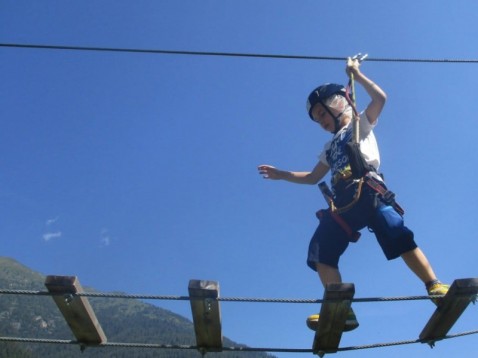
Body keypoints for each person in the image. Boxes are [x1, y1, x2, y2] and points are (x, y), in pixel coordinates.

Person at [257, 58, 448, 331]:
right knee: (320, 251)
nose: (321, 121)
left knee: (397, 234)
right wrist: (282, 174)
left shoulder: (361, 124)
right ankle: (341, 309)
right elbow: (313, 177)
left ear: (337, 103)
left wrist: (357, 75)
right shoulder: (328, 147)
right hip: (344, 202)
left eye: (322, 113)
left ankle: (434, 285)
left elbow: (380, 98)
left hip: (368, 190)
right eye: (317, 118)